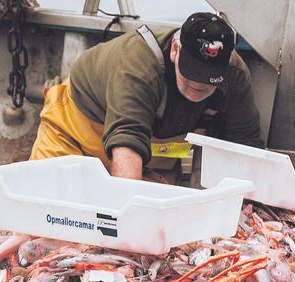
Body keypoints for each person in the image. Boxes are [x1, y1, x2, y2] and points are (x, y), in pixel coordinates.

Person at [30, 12, 263, 184]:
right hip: (75, 133)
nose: (199, 84)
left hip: (145, 155)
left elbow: (245, 148)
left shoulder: (235, 75)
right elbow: (127, 139)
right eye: (192, 72)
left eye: (210, 78)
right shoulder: (139, 64)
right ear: (175, 49)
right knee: (44, 208)